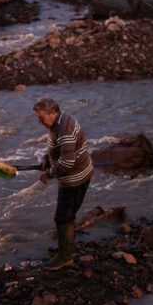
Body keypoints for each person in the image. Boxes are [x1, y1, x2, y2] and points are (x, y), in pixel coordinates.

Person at [33, 97, 94, 271]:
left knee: (63, 216)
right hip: (74, 175)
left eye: (41, 117)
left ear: (53, 113)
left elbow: (67, 162)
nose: (39, 121)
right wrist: (47, 159)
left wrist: (48, 174)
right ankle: (65, 249)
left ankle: (66, 256)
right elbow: (59, 149)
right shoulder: (59, 121)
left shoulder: (64, 129)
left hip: (75, 179)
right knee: (67, 213)